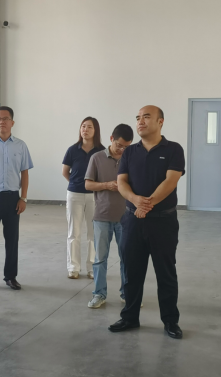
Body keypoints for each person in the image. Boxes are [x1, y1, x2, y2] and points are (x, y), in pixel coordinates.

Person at [109, 105, 185, 340]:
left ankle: (170, 320)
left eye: (146, 117)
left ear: (160, 122)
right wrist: (135, 200)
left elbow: (171, 181)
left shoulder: (173, 149)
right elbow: (122, 182)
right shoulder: (130, 152)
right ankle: (130, 317)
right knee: (131, 272)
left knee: (166, 273)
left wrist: (147, 204)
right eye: (138, 118)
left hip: (163, 222)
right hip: (132, 221)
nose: (140, 121)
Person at [0, 106, 34, 292]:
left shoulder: (20, 145)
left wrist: (23, 198)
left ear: (12, 122)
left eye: (5, 118)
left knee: (12, 240)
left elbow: (24, 173)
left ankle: (11, 277)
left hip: (12, 199)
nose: (1, 122)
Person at [84, 124, 133, 308]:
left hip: (126, 217)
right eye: (119, 145)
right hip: (102, 216)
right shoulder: (97, 158)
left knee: (127, 258)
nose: (122, 150)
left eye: (126, 147)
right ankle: (99, 294)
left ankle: (127, 293)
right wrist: (107, 185)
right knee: (100, 259)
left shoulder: (130, 158)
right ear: (112, 139)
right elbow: (88, 185)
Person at [62, 117, 106, 280]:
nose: (85, 130)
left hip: (95, 196)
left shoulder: (102, 151)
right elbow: (65, 172)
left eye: (89, 127)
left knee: (94, 233)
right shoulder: (72, 150)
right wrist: (77, 184)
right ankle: (73, 267)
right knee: (74, 232)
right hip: (74, 195)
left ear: (96, 130)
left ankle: (92, 267)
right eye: (83, 126)